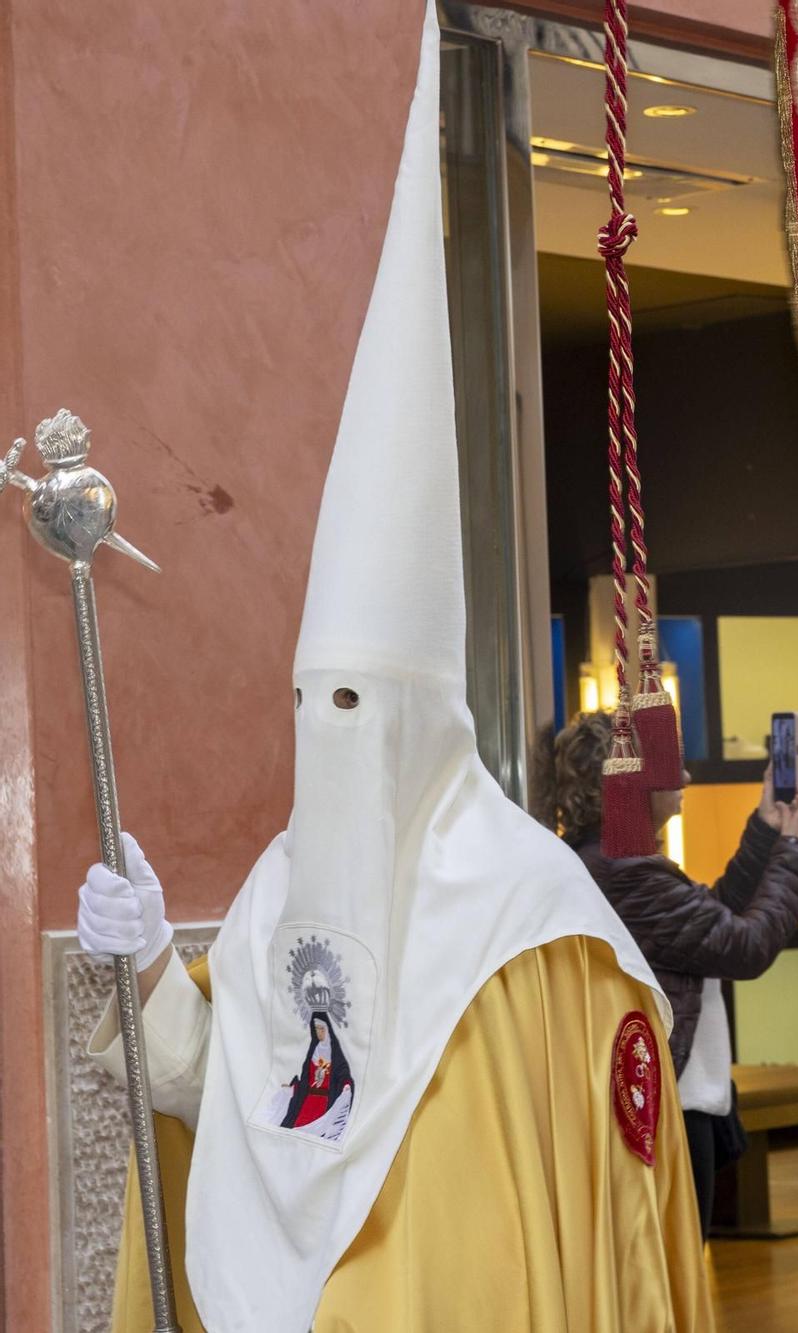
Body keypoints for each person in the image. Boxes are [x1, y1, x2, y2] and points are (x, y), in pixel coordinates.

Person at [72, 7, 709, 1327]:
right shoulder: (274, 901)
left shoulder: (536, 927)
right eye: (315, 706)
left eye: (360, 704)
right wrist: (145, 975)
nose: (333, 732)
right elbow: (232, 1108)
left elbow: (603, 1214)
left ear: (431, 719)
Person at [534, 710, 798, 1234]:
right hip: (669, 1107)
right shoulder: (626, 869)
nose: (686, 779)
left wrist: (766, 832)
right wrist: (797, 850)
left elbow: (710, 925)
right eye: (670, 768)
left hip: (673, 1097)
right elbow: (745, 947)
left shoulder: (613, 858)